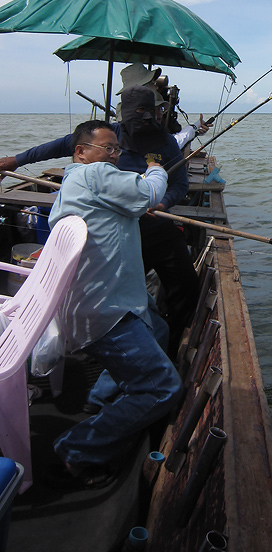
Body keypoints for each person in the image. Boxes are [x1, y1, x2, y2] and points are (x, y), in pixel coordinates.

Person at [0, 85, 200, 353]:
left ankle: (171, 347)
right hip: (118, 236)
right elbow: (57, 146)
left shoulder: (165, 143)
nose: (147, 118)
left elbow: (180, 184)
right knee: (121, 300)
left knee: (187, 287)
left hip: (157, 227)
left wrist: (163, 202)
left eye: (152, 111)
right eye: (139, 111)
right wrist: (16, 160)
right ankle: (113, 348)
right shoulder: (109, 138)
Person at [46, 120, 182, 488]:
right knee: (162, 387)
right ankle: (76, 451)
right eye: (107, 148)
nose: (114, 156)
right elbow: (147, 194)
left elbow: (131, 203)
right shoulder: (94, 175)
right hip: (106, 309)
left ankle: (104, 397)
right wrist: (155, 170)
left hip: (102, 299)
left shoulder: (76, 182)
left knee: (159, 327)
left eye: (117, 150)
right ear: (81, 152)